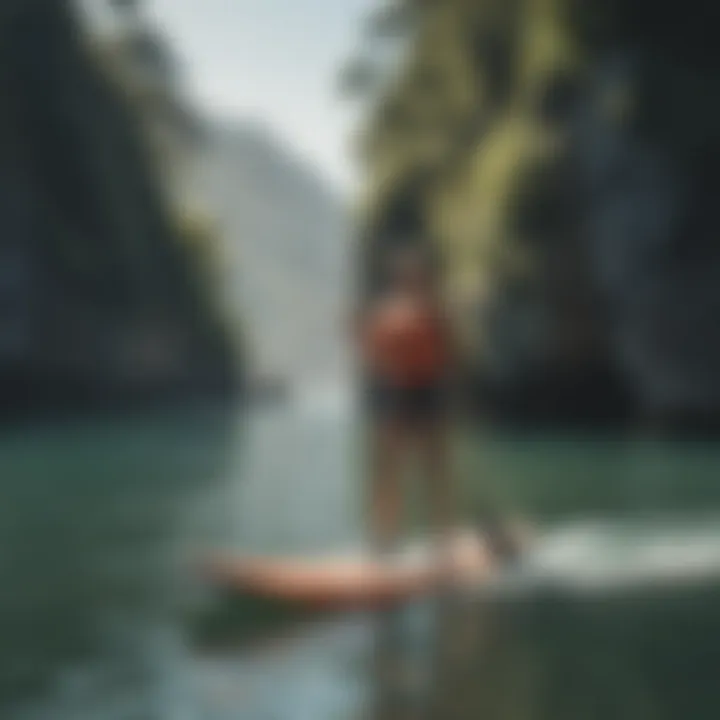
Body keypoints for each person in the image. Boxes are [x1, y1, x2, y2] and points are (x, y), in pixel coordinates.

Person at [355, 245, 458, 562]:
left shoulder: (432, 311)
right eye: (405, 275)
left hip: (424, 391)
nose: (410, 279)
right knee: (387, 470)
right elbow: (371, 353)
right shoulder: (387, 312)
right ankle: (384, 540)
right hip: (395, 392)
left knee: (433, 469)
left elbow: (444, 354)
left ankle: (441, 541)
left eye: (415, 274)